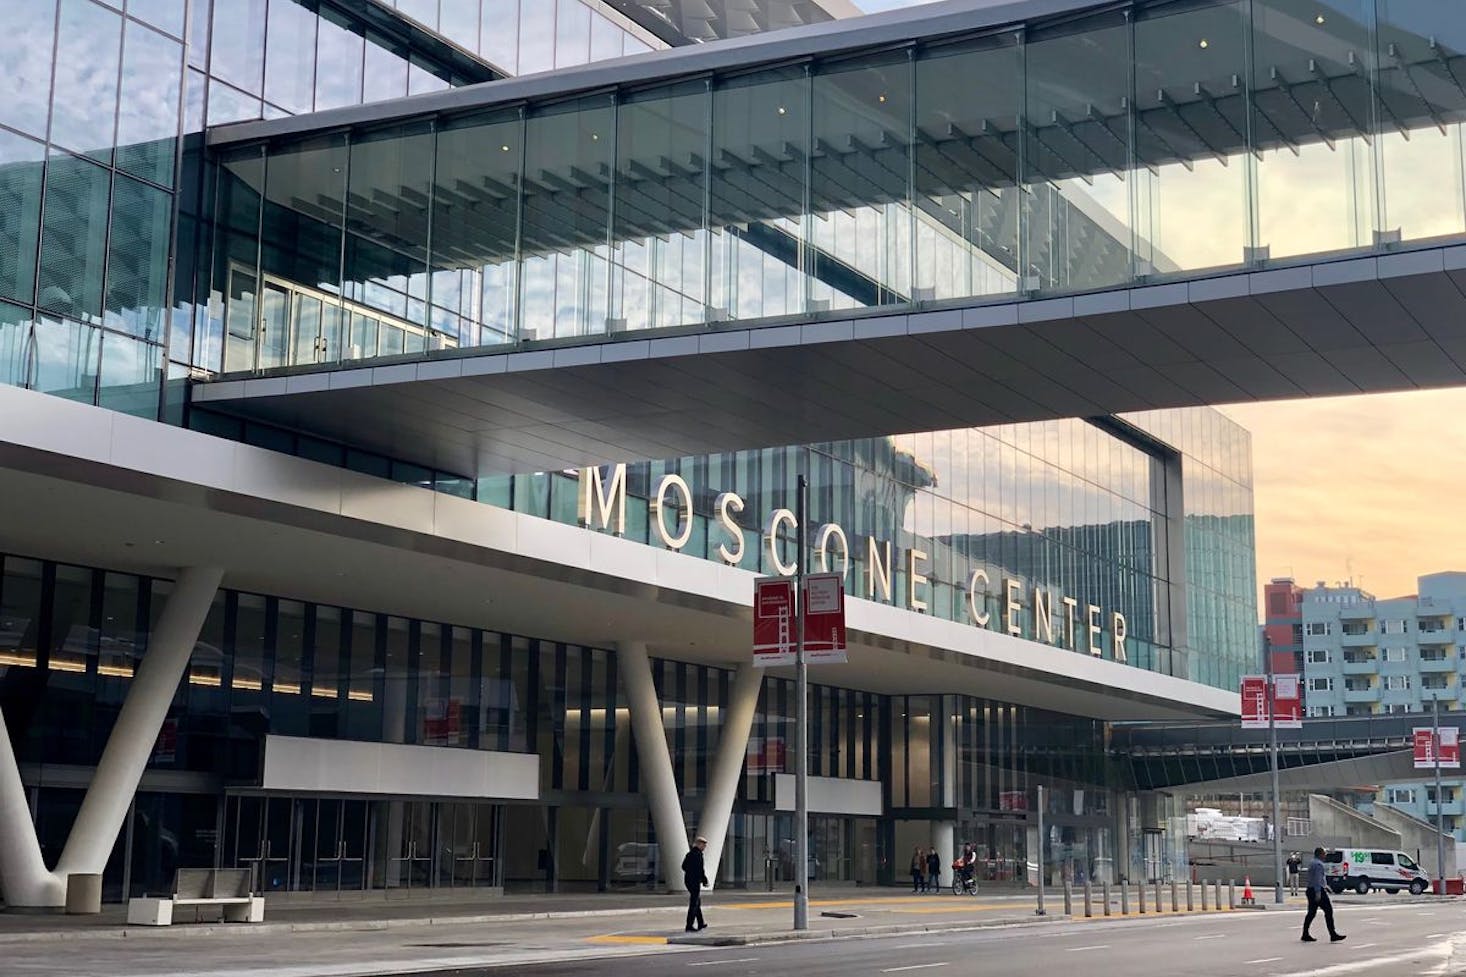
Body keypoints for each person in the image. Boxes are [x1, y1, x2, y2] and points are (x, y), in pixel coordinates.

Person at [1301, 847, 1344, 943]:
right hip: (1317, 890)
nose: (1325, 855)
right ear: (1320, 854)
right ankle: (1332, 934)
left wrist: (1326, 886)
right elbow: (1317, 879)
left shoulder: (1312, 862)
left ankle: (1305, 933)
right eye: (1324, 853)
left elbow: (1317, 879)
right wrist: (1318, 892)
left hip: (1311, 890)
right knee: (1328, 911)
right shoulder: (1318, 864)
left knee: (1311, 913)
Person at [682, 836, 709, 932]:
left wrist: (690, 873)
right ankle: (689, 925)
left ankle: (701, 923)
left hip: (688, 881)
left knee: (697, 902)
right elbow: (700, 870)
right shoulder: (698, 855)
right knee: (694, 903)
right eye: (703, 845)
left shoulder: (689, 854)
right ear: (699, 844)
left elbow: (683, 866)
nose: (704, 847)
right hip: (694, 881)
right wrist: (703, 879)